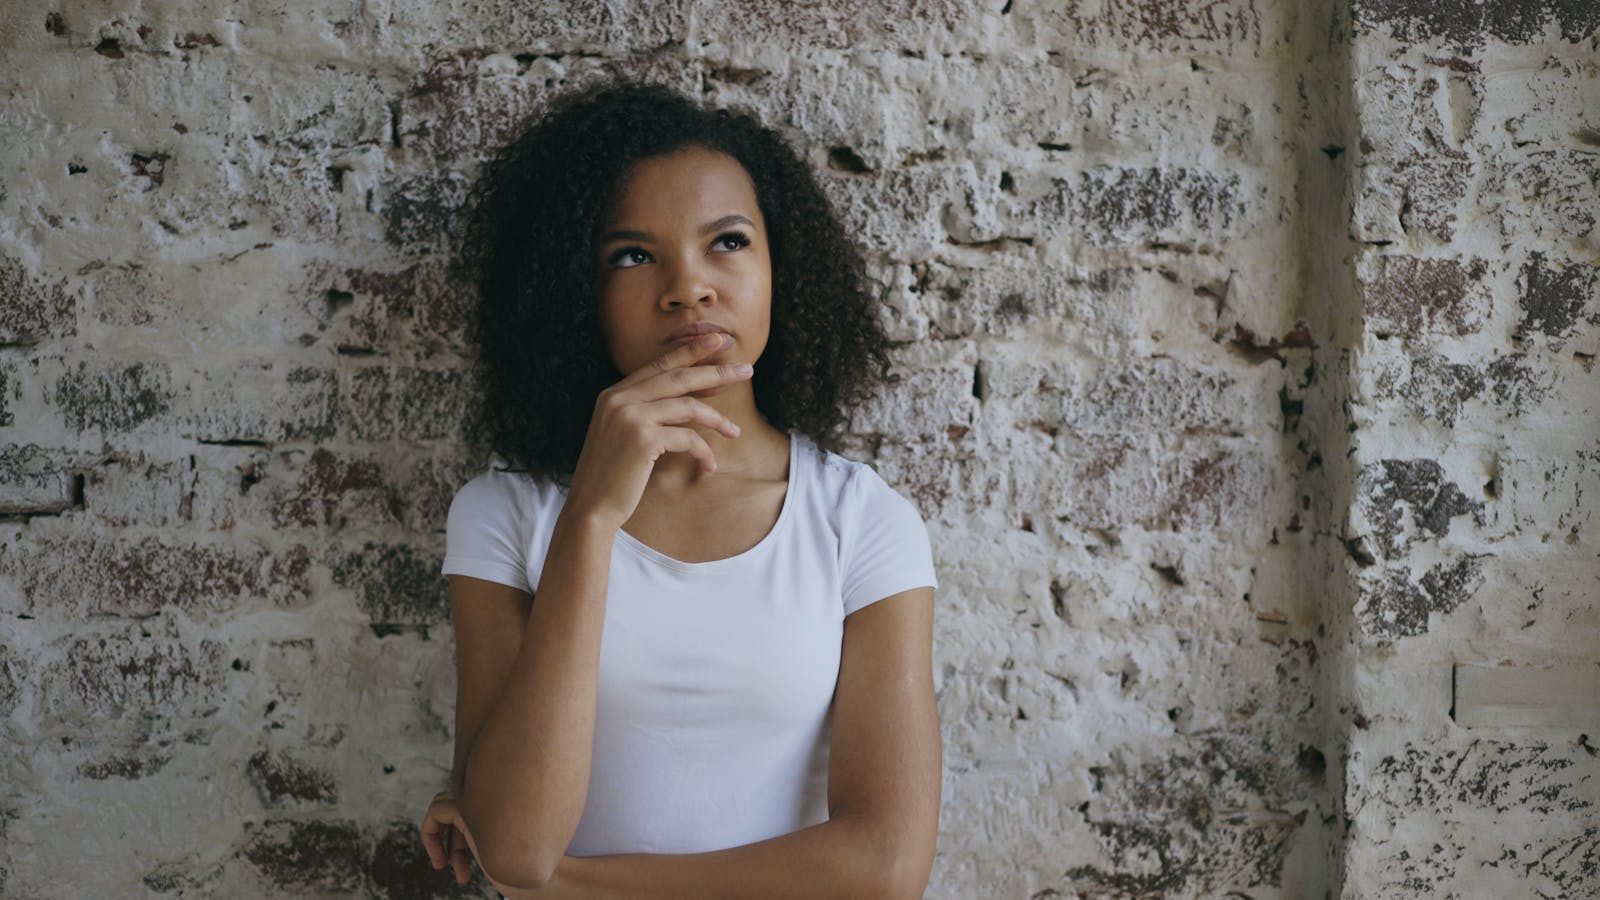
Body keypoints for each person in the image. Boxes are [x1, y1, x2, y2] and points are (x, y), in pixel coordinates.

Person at [417, 77, 941, 898]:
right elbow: (517, 846)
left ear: (781, 267)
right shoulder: (506, 515)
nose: (688, 286)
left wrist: (572, 884)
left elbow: (885, 868)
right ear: (574, 293)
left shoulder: (861, 521)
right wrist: (591, 515)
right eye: (632, 254)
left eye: (727, 242)